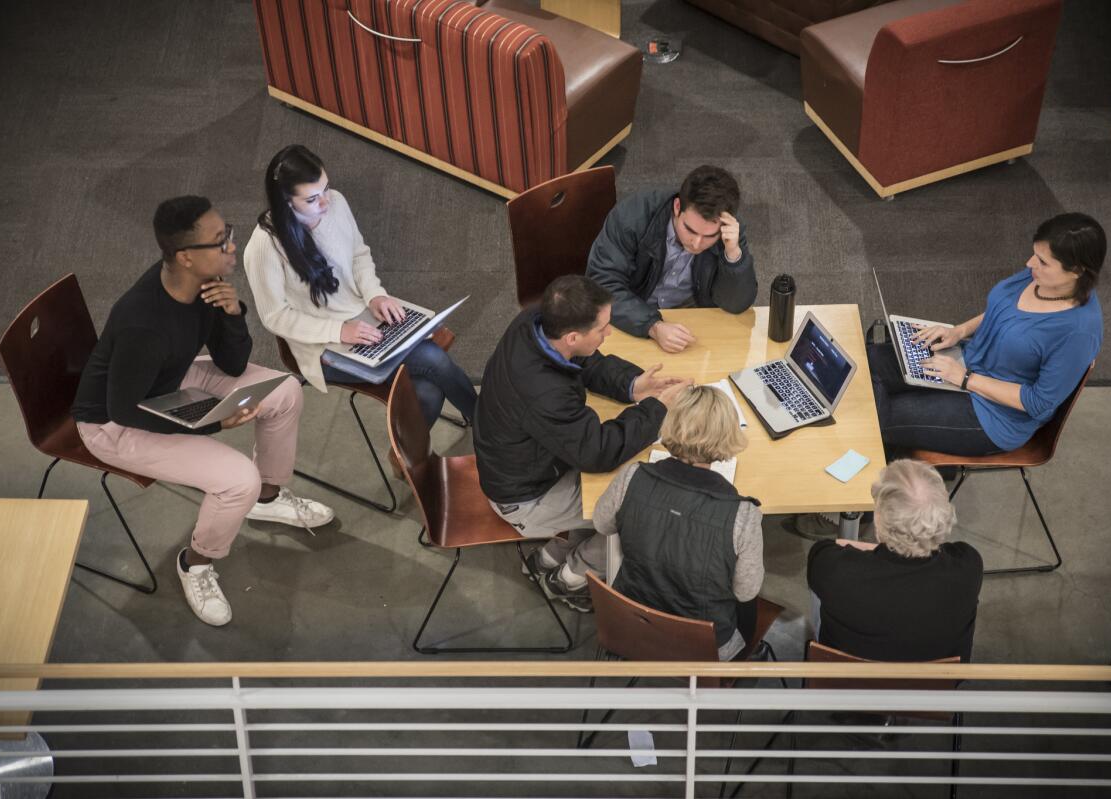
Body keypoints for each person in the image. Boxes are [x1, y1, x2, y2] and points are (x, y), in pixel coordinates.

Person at [71, 195, 334, 627]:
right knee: (235, 481)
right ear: (186, 257)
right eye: (220, 241)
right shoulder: (143, 324)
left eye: (226, 232)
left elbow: (231, 364)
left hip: (170, 382)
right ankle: (195, 563)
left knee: (285, 390)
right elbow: (125, 408)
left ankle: (267, 499)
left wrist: (232, 313)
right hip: (114, 424)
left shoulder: (201, 288)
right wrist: (210, 419)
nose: (232, 245)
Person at [790, 212, 1105, 539]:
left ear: (1077, 271)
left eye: (1042, 261)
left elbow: (1039, 403)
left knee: (875, 417)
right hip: (962, 362)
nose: (1029, 264)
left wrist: (966, 379)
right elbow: (1002, 309)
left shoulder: (1079, 333)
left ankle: (858, 509)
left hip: (993, 416)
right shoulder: (1041, 278)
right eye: (1033, 254)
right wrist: (959, 332)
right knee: (865, 364)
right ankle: (832, 448)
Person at [474, 275, 692, 612]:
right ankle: (571, 579)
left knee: (628, 485)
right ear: (573, 335)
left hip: (529, 465)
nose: (608, 334)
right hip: (527, 497)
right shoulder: (544, 394)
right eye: (603, 328)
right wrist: (659, 408)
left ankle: (550, 556)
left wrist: (632, 385)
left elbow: (584, 360)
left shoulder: (535, 323)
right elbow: (598, 451)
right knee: (650, 512)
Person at [244, 144, 477, 429]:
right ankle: (491, 425)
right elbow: (275, 317)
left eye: (326, 188)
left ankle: (404, 458)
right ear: (286, 202)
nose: (326, 202)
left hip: (365, 316)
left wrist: (375, 294)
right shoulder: (263, 247)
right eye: (313, 199)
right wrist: (339, 330)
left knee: (428, 392)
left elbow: (358, 255)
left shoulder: (337, 203)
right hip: (324, 347)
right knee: (433, 360)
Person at [592, 386, 764, 660]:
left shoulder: (632, 476)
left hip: (633, 625)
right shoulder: (742, 515)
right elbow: (746, 592)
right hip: (703, 647)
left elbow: (602, 525)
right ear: (727, 436)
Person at [807, 460, 983, 662]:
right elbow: (947, 552)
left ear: (879, 519)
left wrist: (870, 550)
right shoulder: (967, 567)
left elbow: (828, 548)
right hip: (936, 689)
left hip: (848, 686)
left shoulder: (835, 570)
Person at [586, 164, 757, 353]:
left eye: (709, 236)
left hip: (694, 310)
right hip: (637, 307)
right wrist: (653, 326)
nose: (697, 243)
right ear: (677, 207)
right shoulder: (632, 217)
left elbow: (736, 304)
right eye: (690, 230)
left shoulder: (729, 233)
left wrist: (733, 254)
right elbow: (603, 284)